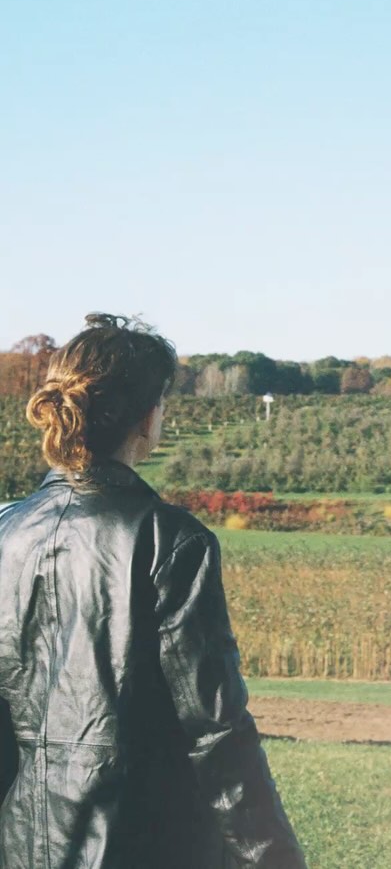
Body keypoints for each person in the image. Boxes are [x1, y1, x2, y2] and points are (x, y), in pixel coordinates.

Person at [0, 314, 307, 868]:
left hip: (22, 845)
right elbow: (216, 731)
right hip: (145, 846)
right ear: (146, 417)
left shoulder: (5, 530)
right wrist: (274, 858)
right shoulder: (171, 541)